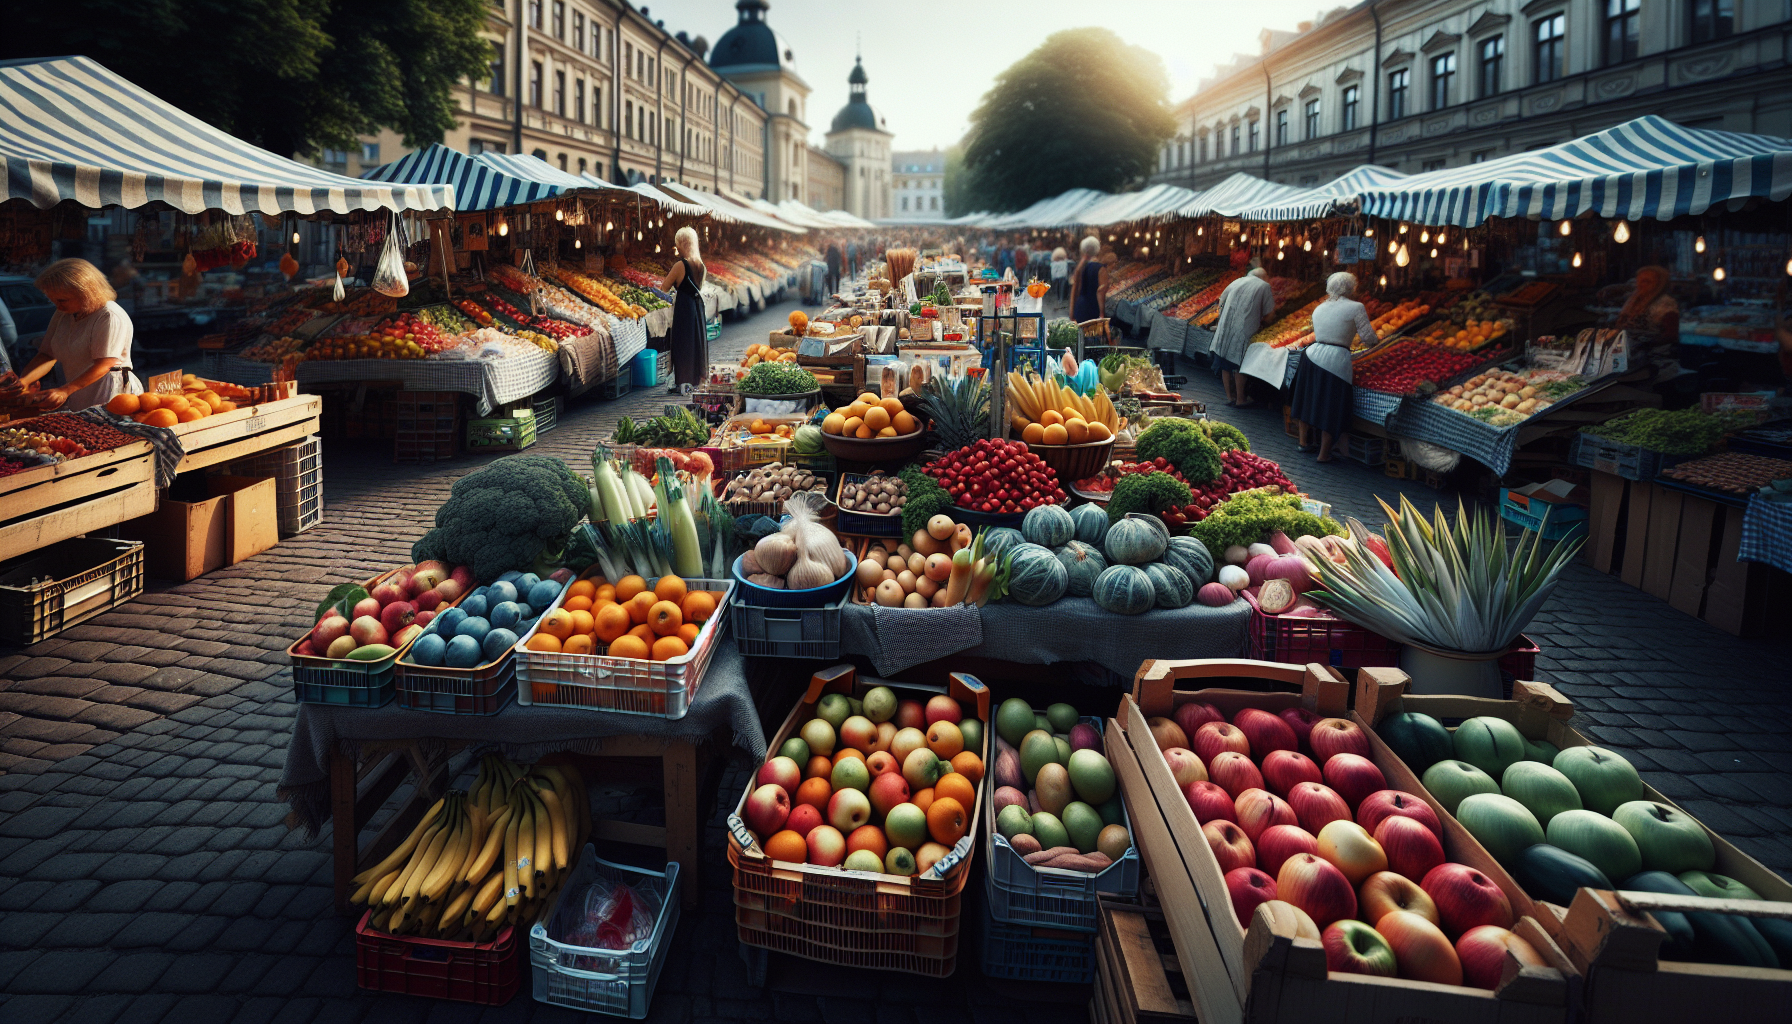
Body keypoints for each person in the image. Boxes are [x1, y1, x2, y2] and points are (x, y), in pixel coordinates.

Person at [17, 258, 140, 410]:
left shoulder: (109, 315)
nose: (58, 306)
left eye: (62, 300)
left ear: (86, 294)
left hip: (110, 394)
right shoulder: (63, 313)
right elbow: (47, 355)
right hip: (79, 391)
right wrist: (23, 382)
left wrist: (65, 390)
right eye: (53, 300)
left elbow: (105, 364)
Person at [1292, 271, 1379, 463]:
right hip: (1335, 360)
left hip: (1311, 355)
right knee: (1331, 406)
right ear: (1352, 288)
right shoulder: (1356, 307)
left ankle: (1303, 442)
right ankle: (1323, 454)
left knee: (1307, 399)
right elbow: (1368, 338)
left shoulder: (1320, 308)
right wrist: (1378, 344)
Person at [1208, 267, 1276, 408]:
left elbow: (1222, 300)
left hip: (1226, 325)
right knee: (1239, 362)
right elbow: (1270, 314)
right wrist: (1265, 323)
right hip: (1245, 328)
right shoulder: (1264, 286)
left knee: (1224, 361)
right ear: (1263, 277)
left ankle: (1229, 396)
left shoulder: (1238, 281)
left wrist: (1224, 317)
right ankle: (1240, 399)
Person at [659, 226, 708, 395]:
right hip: (696, 307)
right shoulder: (701, 265)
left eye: (677, 243)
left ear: (682, 243)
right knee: (695, 343)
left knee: (682, 344)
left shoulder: (681, 265)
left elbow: (664, 288)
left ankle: (683, 381)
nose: (676, 247)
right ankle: (694, 380)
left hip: (684, 308)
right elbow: (698, 286)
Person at [1613, 265, 1679, 354]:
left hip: (1653, 355)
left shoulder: (1664, 303)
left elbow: (1671, 335)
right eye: (1638, 281)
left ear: (1660, 283)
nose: (1640, 285)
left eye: (1646, 281)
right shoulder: (1634, 299)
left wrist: (1644, 344)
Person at [1069, 236, 1106, 323]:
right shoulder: (1100, 269)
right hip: (1093, 308)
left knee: (1081, 334)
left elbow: (1074, 290)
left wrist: (1071, 313)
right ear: (1098, 249)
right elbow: (1100, 291)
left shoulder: (1080, 268)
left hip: (1080, 308)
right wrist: (1102, 314)